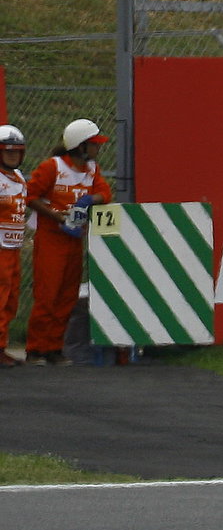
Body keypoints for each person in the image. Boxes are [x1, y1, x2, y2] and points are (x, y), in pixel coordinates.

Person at [24, 118, 112, 366]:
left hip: (74, 239)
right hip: (51, 238)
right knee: (47, 295)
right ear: (80, 146)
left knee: (67, 296)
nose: (98, 148)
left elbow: (105, 193)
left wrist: (90, 199)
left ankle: (53, 348)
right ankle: (35, 349)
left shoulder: (92, 169)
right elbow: (30, 196)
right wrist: (55, 215)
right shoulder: (52, 167)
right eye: (93, 144)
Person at [0, 125, 26, 368]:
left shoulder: (19, 177)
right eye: (7, 152)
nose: (12, 156)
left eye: (16, 152)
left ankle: (2, 345)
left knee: (11, 299)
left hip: (13, 246)